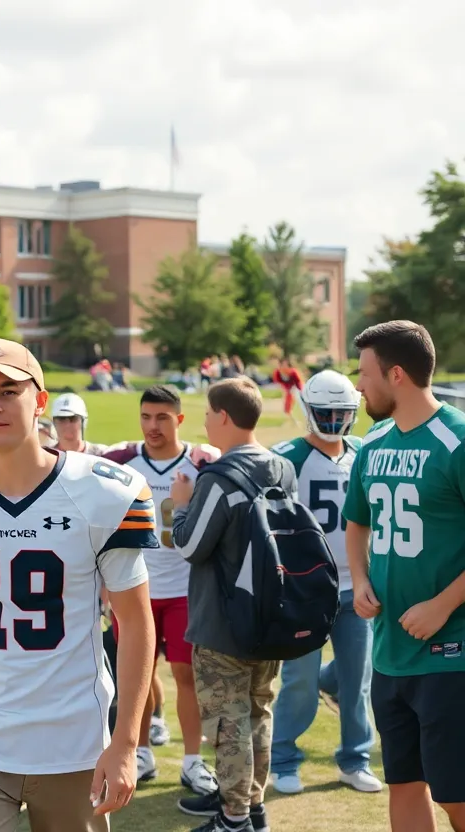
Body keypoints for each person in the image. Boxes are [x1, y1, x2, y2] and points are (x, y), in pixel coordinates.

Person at [0, 338, 158, 832]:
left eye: (8, 390)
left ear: (39, 400)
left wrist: (125, 742)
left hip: (72, 740)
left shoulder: (103, 492)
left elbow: (135, 620)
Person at [344, 321, 465, 832]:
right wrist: (360, 577)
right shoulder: (372, 443)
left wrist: (443, 604)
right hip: (390, 649)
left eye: (364, 373)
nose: (358, 386)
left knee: (456, 794)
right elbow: (357, 521)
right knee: (404, 783)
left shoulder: (455, 440)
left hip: (450, 654)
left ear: (396, 374)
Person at [171, 377, 296, 832]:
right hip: (271, 615)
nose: (205, 420)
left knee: (229, 724)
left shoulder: (219, 479)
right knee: (259, 714)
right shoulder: (283, 467)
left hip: (223, 622)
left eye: (207, 413)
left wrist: (181, 504)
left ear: (223, 417)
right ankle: (251, 805)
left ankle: (235, 817)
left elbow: (190, 546)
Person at [101, 386, 218, 796]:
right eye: (146, 417)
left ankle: (192, 760)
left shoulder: (204, 463)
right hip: (135, 589)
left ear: (179, 420)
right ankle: (142, 750)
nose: (153, 426)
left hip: (187, 589)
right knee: (137, 675)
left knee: (187, 675)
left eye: (162, 418)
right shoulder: (122, 461)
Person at [269, 370, 381, 795]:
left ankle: (355, 758)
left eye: (342, 413)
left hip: (356, 584)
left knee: (358, 678)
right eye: (326, 413)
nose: (334, 421)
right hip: (304, 590)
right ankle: (283, 757)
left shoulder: (363, 452)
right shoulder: (286, 458)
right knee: (298, 680)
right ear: (308, 411)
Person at [272, 358, 304, 426]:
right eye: (283, 364)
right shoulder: (278, 372)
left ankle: (297, 420)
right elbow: (278, 382)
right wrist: (285, 390)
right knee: (287, 407)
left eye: (286, 364)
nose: (284, 366)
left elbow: (299, 383)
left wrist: (298, 391)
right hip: (287, 390)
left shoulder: (293, 372)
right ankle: (293, 421)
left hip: (296, 389)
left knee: (297, 404)